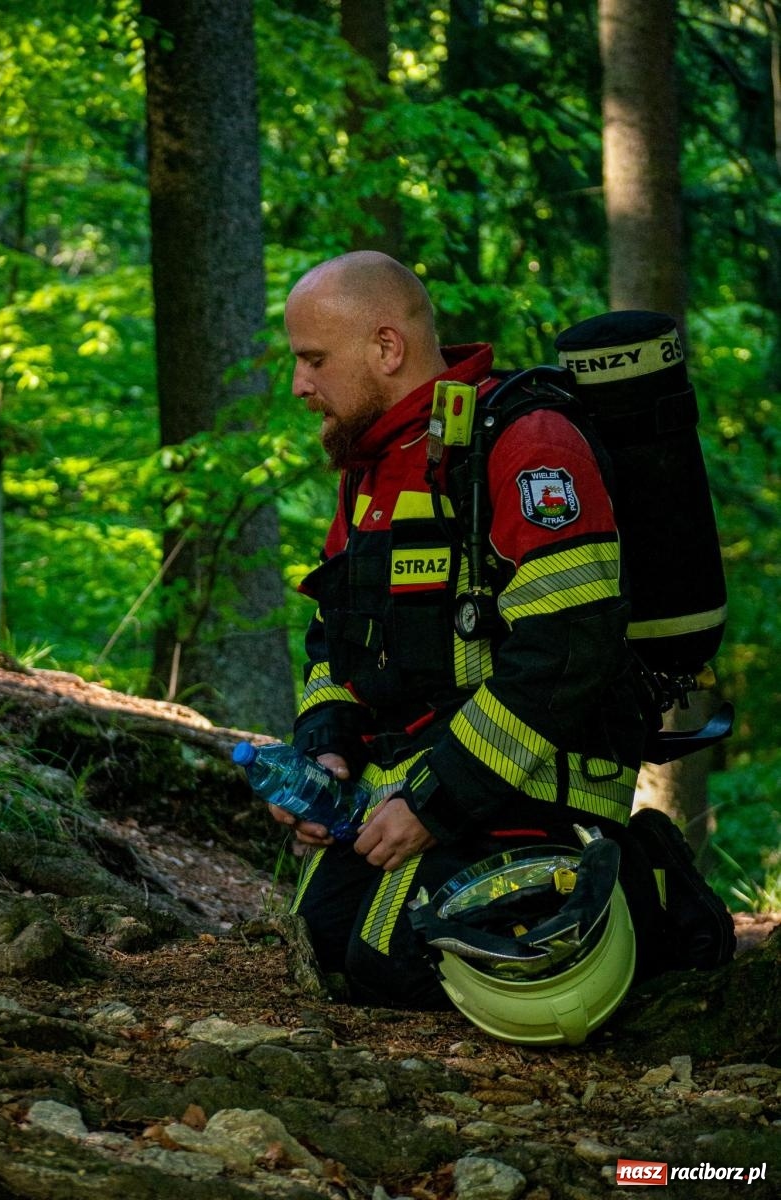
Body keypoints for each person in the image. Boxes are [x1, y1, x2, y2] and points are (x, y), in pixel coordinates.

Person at [272, 250, 665, 1009]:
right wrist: (325, 748)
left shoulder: (527, 442)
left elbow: (567, 655)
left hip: (528, 786)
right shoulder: (373, 466)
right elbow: (334, 640)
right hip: (418, 784)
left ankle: (645, 905)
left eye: (313, 360)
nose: (300, 386)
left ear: (386, 347)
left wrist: (434, 802)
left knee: (391, 962)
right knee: (318, 947)